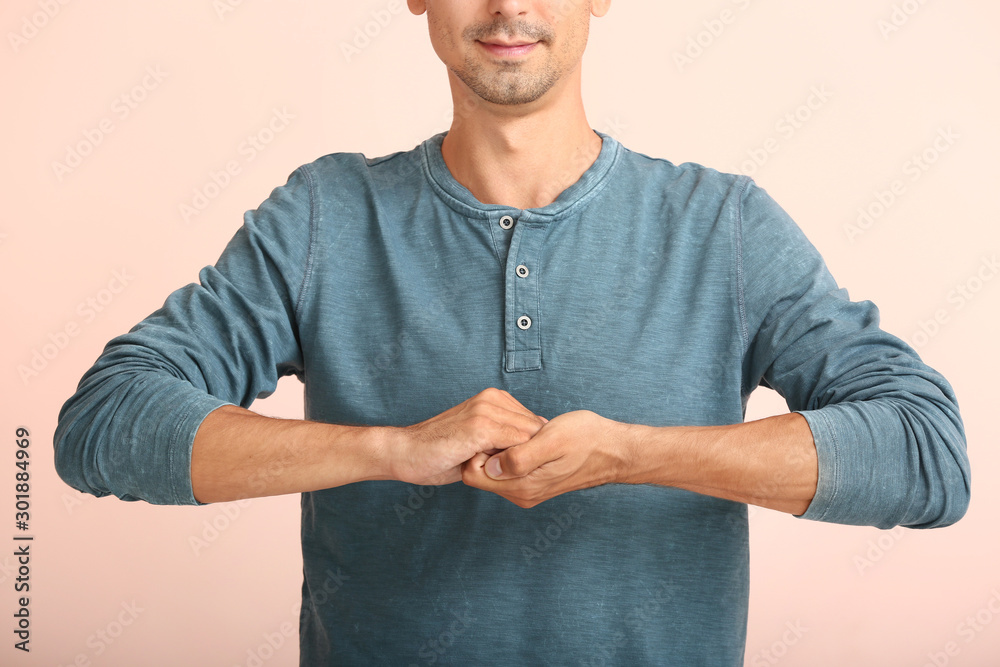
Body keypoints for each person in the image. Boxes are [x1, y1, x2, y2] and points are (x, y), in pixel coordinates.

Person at [54, 1, 971, 664]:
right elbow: (103, 426)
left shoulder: (719, 225)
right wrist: (391, 447)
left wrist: (634, 452)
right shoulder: (324, 218)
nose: (508, 6)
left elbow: (926, 455)